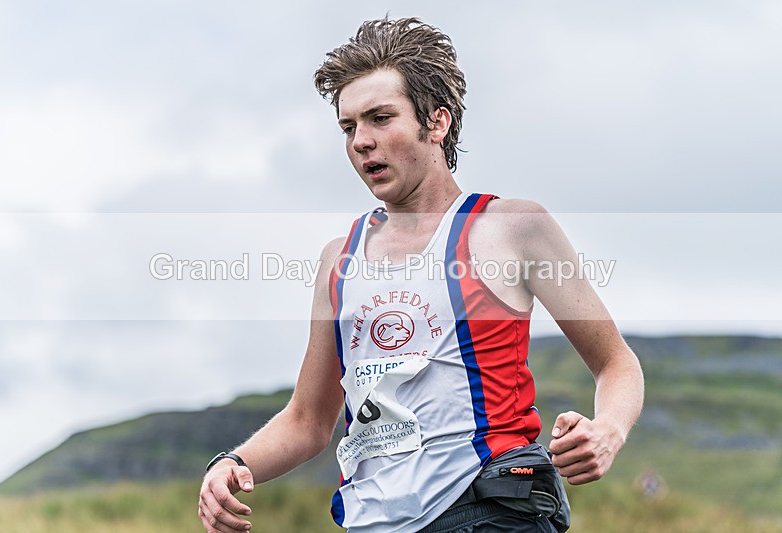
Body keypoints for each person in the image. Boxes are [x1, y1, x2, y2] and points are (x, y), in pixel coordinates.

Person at [198, 17, 644, 533]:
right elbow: (309, 421)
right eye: (349, 127)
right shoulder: (337, 261)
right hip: (372, 519)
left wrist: (607, 430)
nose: (361, 141)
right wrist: (233, 464)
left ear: (437, 123)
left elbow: (617, 363)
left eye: (380, 118)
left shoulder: (512, 228)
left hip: (489, 509)